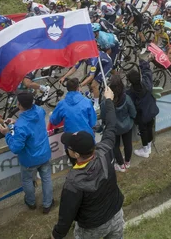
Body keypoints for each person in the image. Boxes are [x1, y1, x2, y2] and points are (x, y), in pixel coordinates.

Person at [52, 85, 125, 239]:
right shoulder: (104, 150)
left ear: (76, 154)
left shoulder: (73, 181)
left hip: (92, 227)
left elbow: (66, 216)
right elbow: (111, 125)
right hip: (116, 215)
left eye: (70, 146)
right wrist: (109, 101)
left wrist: (56, 235)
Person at [0, 91, 54, 213]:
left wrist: (7, 134)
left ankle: (31, 202)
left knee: (27, 180)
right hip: (44, 153)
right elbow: (32, 124)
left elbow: (16, 148)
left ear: (19, 105)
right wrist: (15, 123)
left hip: (29, 159)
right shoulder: (39, 111)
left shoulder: (22, 124)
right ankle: (48, 203)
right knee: (46, 179)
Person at [101, 75, 136, 172]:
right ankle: (127, 161)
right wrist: (132, 119)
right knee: (128, 144)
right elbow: (133, 112)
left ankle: (121, 164)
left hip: (114, 128)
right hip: (127, 126)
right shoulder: (127, 98)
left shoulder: (106, 102)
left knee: (115, 146)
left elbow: (104, 115)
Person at [127, 58, 158, 158]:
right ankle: (149, 146)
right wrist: (143, 61)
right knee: (150, 127)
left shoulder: (130, 93)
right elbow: (147, 72)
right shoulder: (146, 83)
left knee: (143, 130)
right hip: (151, 110)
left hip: (142, 115)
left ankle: (145, 149)